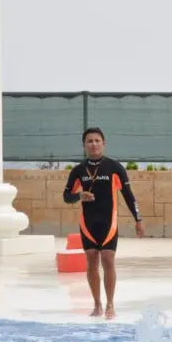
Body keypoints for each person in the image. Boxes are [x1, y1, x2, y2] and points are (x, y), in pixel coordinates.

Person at [63, 127, 145, 319]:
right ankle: (97, 304)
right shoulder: (78, 170)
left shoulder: (114, 168)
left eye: (97, 140)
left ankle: (110, 304)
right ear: (84, 145)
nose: (94, 144)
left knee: (108, 259)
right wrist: (79, 196)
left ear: (103, 143)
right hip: (88, 224)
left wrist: (138, 219)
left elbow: (128, 195)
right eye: (89, 141)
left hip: (109, 223)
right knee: (92, 261)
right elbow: (66, 196)